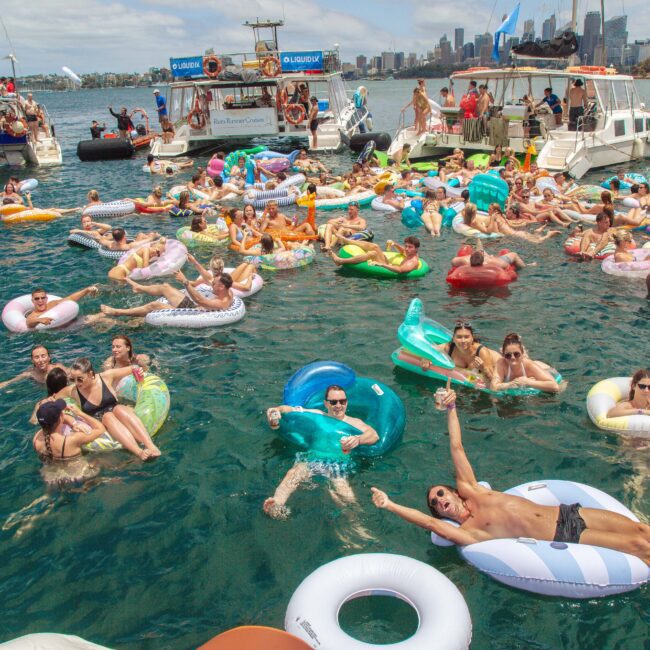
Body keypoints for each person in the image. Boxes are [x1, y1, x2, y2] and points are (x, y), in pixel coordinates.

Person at [371, 392, 650, 564]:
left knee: (642, 531)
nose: (439, 502)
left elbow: (456, 445)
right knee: (640, 548)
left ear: (455, 492)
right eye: (435, 503)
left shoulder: (474, 490)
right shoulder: (469, 532)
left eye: (440, 494)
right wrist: (390, 505)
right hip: (565, 534)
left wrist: (452, 408)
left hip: (566, 512)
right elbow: (431, 524)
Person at [263, 384, 379, 519]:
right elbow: (289, 409)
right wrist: (275, 410)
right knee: (292, 474)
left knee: (344, 493)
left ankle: (357, 522)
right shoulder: (317, 415)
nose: (338, 405)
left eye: (342, 401)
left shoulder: (354, 423)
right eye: (334, 402)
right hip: (312, 458)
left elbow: (374, 435)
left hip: (338, 464)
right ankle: (276, 505)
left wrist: (358, 440)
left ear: (347, 402)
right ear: (326, 403)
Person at [70, 358, 160, 460]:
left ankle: (150, 445)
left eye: (80, 379)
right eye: (72, 379)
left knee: (119, 409)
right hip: (101, 423)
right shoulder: (74, 391)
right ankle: (138, 452)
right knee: (107, 416)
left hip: (119, 412)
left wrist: (137, 371)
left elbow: (132, 368)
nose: (76, 383)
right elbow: (55, 397)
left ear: (90, 374)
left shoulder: (106, 376)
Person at [100, 271, 234, 319]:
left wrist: (185, 281)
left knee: (155, 305)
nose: (212, 284)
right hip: (192, 306)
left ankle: (118, 312)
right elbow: (202, 294)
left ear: (221, 287)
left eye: (215, 283)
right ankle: (140, 287)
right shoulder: (228, 291)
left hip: (191, 313)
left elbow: (200, 301)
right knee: (165, 287)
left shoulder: (220, 303)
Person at [32, 400, 106, 484]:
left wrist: (74, 424)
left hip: (51, 477)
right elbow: (100, 429)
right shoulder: (71, 440)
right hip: (77, 475)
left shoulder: (36, 439)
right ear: (61, 417)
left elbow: (56, 421)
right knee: (100, 460)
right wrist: (80, 413)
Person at [429, 321, 499, 387]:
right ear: (453, 338)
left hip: (498, 366)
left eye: (466, 337)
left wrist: (484, 368)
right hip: (470, 377)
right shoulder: (449, 348)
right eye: (459, 337)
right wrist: (426, 358)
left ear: (472, 338)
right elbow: (429, 349)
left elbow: (493, 380)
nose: (463, 341)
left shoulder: (481, 352)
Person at [491, 333, 561, 394]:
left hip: (546, 369)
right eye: (508, 355)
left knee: (561, 389)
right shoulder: (501, 363)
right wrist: (509, 385)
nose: (512, 357)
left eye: (516, 354)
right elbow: (493, 387)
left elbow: (555, 386)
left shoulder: (528, 364)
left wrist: (527, 382)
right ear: (503, 355)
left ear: (522, 354)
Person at [329, 235, 421, 274]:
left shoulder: (412, 261)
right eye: (406, 246)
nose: (407, 249)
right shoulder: (410, 254)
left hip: (393, 277)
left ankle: (341, 261)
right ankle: (348, 240)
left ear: (416, 249)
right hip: (389, 264)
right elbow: (403, 252)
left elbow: (400, 270)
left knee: (373, 253)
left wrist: (382, 264)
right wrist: (396, 244)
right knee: (375, 246)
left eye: (410, 247)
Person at [25, 286, 98, 329]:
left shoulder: (52, 304)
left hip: (74, 323)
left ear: (46, 299)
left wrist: (87, 290)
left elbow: (70, 298)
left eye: (42, 298)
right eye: (37, 299)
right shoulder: (34, 315)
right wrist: (39, 320)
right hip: (64, 331)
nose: (40, 301)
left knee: (103, 318)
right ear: (32, 301)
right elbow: (29, 322)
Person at [0, 345, 68, 391]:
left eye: (43, 356)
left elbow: (71, 375)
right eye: (36, 357)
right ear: (32, 360)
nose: (41, 360)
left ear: (49, 357)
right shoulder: (31, 373)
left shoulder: (57, 368)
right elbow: (12, 381)